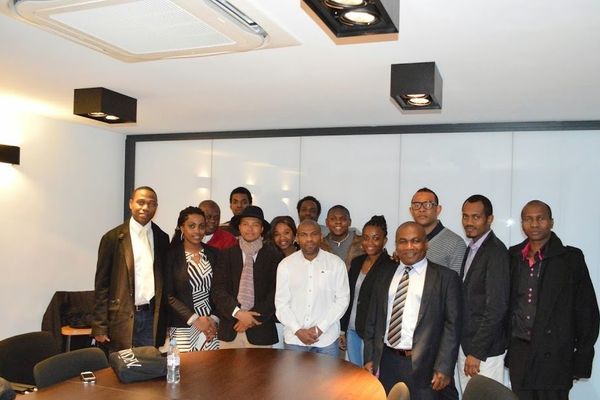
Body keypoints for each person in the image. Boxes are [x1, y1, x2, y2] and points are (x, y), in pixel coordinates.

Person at [506, 200, 599, 400]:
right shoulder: (513, 256)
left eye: (540, 218)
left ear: (551, 222)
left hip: (555, 354)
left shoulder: (570, 259)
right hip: (520, 351)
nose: (534, 224)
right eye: (528, 219)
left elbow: (587, 311)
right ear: (522, 224)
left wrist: (582, 357)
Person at [363, 222, 461, 400]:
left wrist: (444, 367)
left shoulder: (445, 278)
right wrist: (369, 357)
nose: (409, 247)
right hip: (387, 361)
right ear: (396, 245)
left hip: (426, 365)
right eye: (402, 241)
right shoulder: (384, 274)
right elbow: (373, 319)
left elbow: (452, 326)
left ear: (426, 244)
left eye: (415, 241)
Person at [91, 186, 169, 352]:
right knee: (120, 371)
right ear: (130, 203)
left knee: (148, 370)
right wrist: (99, 326)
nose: (145, 208)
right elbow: (101, 285)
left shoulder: (162, 238)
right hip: (121, 318)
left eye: (151, 204)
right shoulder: (112, 238)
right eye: (141, 202)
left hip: (151, 318)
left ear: (156, 207)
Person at [457, 195, 509, 392]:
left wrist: (476, 352)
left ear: (489, 219)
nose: (469, 222)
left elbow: (497, 307)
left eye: (476, 217)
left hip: (484, 351)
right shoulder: (472, 248)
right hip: (467, 345)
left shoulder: (495, 252)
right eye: (465, 216)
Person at [275, 220, 350, 357]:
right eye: (303, 235)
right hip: (294, 340)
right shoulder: (285, 265)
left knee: (327, 379)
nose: (309, 239)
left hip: (326, 339)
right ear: (297, 238)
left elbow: (342, 300)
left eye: (314, 234)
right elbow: (281, 304)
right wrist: (298, 330)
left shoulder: (336, 263)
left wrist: (320, 328)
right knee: (295, 379)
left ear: (321, 236)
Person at [211, 205, 282, 348]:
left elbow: (276, 293)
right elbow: (218, 290)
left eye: (255, 225)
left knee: (260, 371)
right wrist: (238, 313)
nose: (250, 229)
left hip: (261, 330)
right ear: (239, 227)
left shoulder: (274, 256)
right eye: (245, 224)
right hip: (230, 329)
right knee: (227, 371)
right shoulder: (226, 255)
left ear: (262, 229)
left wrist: (249, 318)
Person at [341, 215, 396, 367]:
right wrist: (342, 329)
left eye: (375, 238)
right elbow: (349, 296)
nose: (369, 243)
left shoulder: (391, 265)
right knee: (355, 374)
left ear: (384, 240)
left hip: (372, 334)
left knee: (370, 377)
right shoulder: (357, 261)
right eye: (365, 238)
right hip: (352, 329)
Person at [165, 207, 219, 352]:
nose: (197, 231)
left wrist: (213, 319)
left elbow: (222, 290)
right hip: (183, 326)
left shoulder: (215, 254)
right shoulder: (171, 256)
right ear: (182, 227)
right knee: (185, 373)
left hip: (210, 327)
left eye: (201, 226)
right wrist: (195, 319)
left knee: (212, 371)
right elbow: (168, 295)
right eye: (192, 226)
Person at [409, 188, 466, 275]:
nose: (421, 209)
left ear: (438, 209)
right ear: (411, 211)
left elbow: (457, 283)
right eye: (416, 205)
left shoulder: (456, 243)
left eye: (427, 205)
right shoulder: (406, 242)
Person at [321, 205, 364, 269]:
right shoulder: (320, 244)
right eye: (333, 219)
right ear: (327, 222)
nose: (338, 222)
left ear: (349, 222)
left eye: (343, 219)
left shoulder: (362, 242)